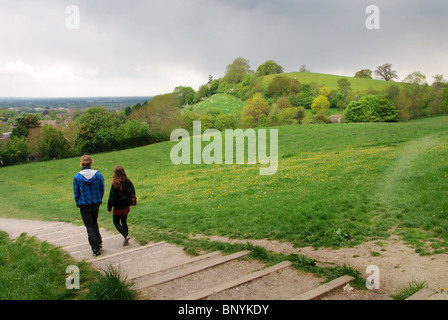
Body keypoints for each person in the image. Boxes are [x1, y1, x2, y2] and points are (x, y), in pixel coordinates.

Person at [73, 155, 105, 257]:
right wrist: (99, 197)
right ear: (91, 162)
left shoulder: (77, 177)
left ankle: (95, 249)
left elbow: (76, 191)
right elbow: (101, 188)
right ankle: (98, 242)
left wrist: (78, 202)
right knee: (94, 222)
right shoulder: (97, 174)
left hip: (84, 204)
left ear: (82, 163)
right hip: (95, 202)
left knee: (89, 226)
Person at [107, 166, 135, 246]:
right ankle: (126, 239)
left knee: (116, 222)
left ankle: (125, 236)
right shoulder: (128, 181)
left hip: (118, 207)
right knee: (124, 222)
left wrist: (109, 207)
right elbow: (133, 191)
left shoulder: (115, 183)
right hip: (126, 206)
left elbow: (112, 197)